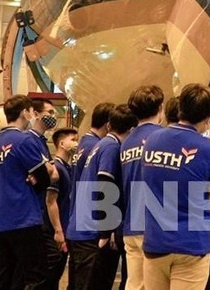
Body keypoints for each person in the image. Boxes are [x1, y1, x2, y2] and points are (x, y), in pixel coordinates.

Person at [140, 84, 210, 290]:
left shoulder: (152, 141)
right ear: (209, 118)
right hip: (190, 245)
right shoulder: (208, 149)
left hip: (155, 242)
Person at [0, 94, 58, 290]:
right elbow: (44, 178)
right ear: (25, 113)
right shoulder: (23, 140)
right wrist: (40, 177)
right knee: (37, 275)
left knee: (3, 277)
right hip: (23, 217)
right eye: (31, 112)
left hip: (0, 220)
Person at [67, 104, 138, 290]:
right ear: (132, 130)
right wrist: (107, 231)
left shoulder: (99, 145)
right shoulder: (111, 148)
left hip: (82, 227)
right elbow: (104, 184)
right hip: (92, 231)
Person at [120, 85, 164, 290]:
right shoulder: (163, 138)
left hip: (131, 222)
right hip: (155, 224)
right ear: (160, 108)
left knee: (135, 284)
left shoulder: (127, 141)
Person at [43, 128, 79, 290]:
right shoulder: (56, 168)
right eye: (73, 140)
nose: (76, 143)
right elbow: (50, 201)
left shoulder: (68, 168)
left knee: (57, 273)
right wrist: (58, 231)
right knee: (50, 274)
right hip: (53, 231)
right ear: (62, 143)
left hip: (64, 229)